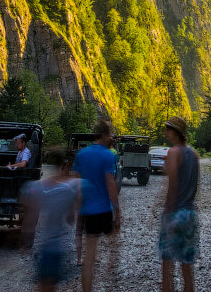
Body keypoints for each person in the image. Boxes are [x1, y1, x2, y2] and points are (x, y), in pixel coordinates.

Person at [71, 119, 121, 292]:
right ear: (104, 135)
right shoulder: (109, 155)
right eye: (110, 135)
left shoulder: (81, 154)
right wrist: (118, 211)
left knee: (89, 256)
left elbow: (76, 184)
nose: (111, 138)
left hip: (88, 211)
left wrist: (77, 208)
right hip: (104, 210)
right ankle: (112, 277)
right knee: (114, 246)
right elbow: (110, 185)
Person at [24, 150, 82, 292]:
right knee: (50, 286)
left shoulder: (37, 187)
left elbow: (30, 217)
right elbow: (70, 219)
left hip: (43, 246)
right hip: (60, 246)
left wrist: (24, 242)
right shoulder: (67, 190)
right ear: (63, 166)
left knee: (44, 286)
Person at [160, 116, 199, 292]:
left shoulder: (173, 152)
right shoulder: (194, 154)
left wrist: (167, 210)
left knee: (167, 266)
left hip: (175, 213)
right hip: (190, 214)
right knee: (186, 267)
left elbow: (173, 185)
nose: (165, 132)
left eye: (168, 129)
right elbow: (194, 185)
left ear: (176, 132)